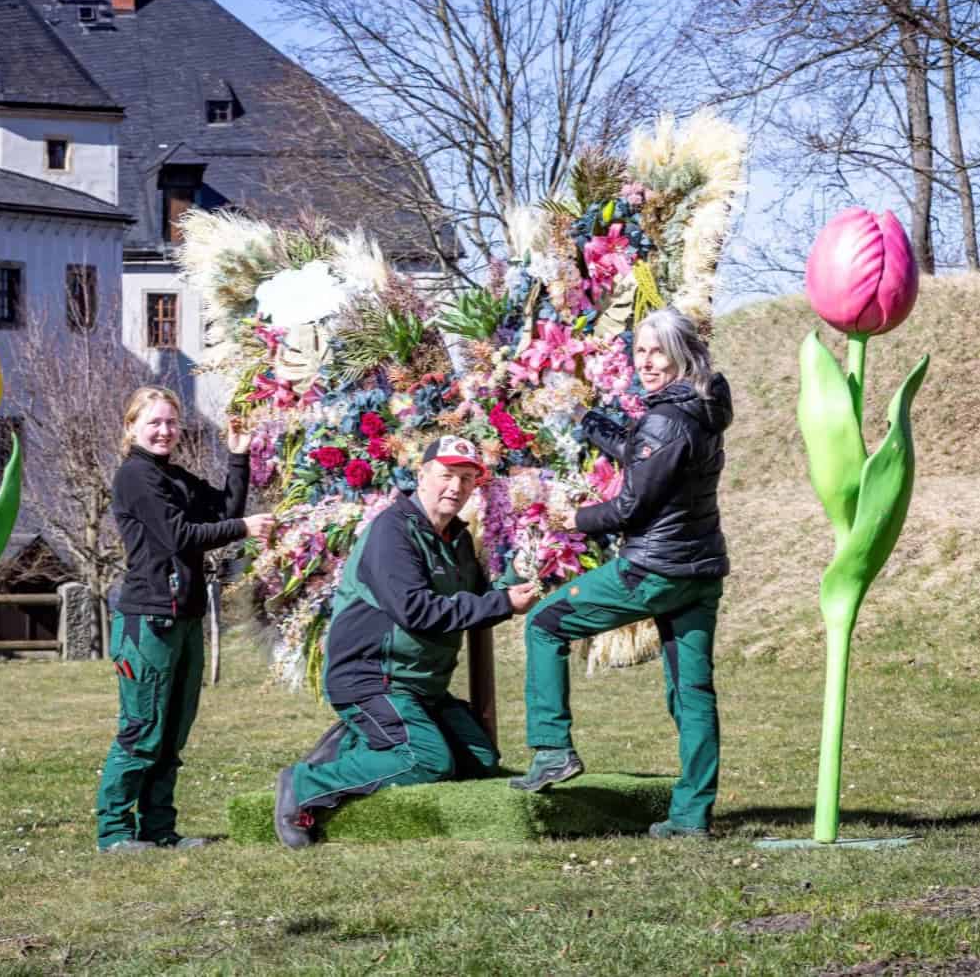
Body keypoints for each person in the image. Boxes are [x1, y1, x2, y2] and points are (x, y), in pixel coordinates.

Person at [508, 307, 733, 839]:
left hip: (655, 569)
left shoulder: (667, 418)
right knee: (692, 693)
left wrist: (574, 519)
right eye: (640, 351)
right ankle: (690, 817)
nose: (647, 362)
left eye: (657, 351)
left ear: (681, 353)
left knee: (544, 623)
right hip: (700, 570)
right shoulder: (701, 406)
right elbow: (646, 454)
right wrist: (587, 423)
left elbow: (631, 507)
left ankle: (551, 748)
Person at [273, 435, 540, 848]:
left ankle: (355, 741)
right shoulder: (392, 532)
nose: (456, 487)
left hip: (422, 685)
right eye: (447, 475)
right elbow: (416, 611)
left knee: (481, 761)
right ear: (422, 475)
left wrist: (524, 573)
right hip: (371, 676)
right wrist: (501, 603)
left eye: (467, 479)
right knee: (426, 760)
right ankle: (306, 783)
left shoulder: (457, 537)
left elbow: (479, 597)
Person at [96, 386, 276, 853]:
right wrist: (242, 530)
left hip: (185, 617)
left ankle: (158, 829)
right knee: (142, 730)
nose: (163, 431)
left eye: (171, 423)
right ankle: (114, 832)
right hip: (147, 622)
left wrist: (238, 457)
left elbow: (223, 510)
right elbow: (178, 536)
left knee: (172, 732)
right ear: (132, 426)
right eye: (154, 422)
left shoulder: (172, 476)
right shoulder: (136, 476)